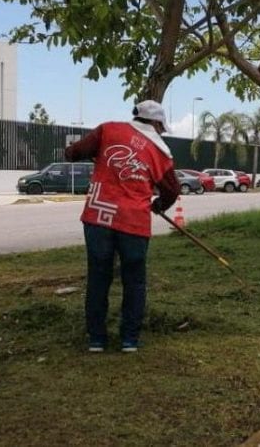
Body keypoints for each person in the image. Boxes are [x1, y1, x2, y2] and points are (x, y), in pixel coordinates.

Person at [64, 100, 180, 353]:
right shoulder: (161, 153)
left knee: (98, 277)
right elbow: (173, 190)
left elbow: (75, 152)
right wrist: (159, 204)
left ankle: (96, 339)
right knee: (135, 281)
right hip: (134, 222)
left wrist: (75, 152)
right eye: (162, 127)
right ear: (157, 123)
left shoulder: (107, 130)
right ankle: (129, 340)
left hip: (98, 217)